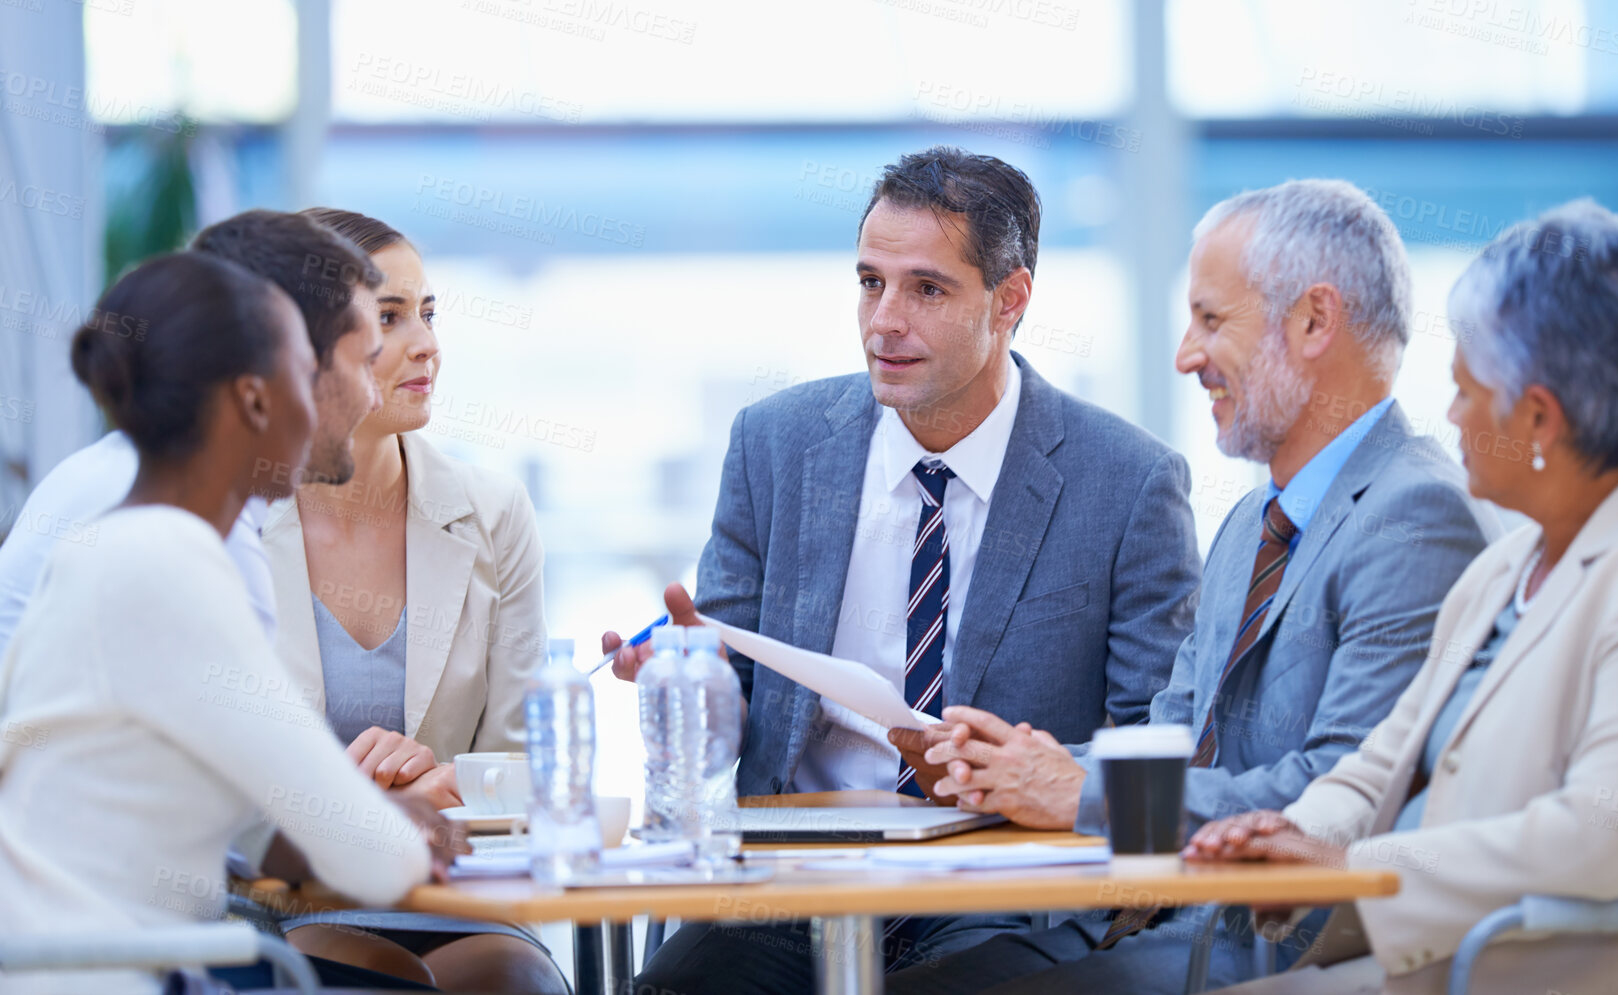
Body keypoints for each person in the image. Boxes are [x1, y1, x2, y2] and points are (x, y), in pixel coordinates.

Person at [887, 179, 1500, 995]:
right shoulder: (1254, 518)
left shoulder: (1414, 514)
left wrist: (1080, 791)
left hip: (1270, 935)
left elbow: (1335, 786)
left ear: (1315, 321)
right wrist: (1006, 768)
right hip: (1150, 914)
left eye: (1211, 319)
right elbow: (1177, 728)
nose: (1184, 354)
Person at [624, 147, 1204, 993]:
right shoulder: (774, 445)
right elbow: (736, 692)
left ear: (1010, 301)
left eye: (925, 289)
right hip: (794, 876)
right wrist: (685, 679)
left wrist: (1006, 772)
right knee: (678, 986)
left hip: (995, 879)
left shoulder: (1126, 481)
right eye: (869, 282)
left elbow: (1152, 740)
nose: (882, 321)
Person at [1184, 201, 1618, 995]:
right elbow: (1377, 767)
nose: (1449, 416)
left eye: (1467, 391)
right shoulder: (1505, 567)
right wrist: (1288, 834)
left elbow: (1607, 832)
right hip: (1426, 962)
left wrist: (1349, 866)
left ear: (1537, 418)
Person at [0, 253, 461, 995]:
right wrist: (401, 826)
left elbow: (255, 818)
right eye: (311, 375)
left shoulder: (125, 540)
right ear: (255, 400)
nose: (344, 398)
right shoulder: (171, 562)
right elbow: (374, 861)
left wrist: (368, 817)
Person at [263, 209, 559, 994]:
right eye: (389, 317)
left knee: (511, 979)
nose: (427, 344)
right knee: (376, 977)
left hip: (450, 889)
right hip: (282, 898)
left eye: (427, 313)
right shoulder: (231, 518)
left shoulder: (492, 512)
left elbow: (532, 768)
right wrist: (358, 804)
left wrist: (443, 786)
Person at [0, 210, 385, 659]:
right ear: (282, 358)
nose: (374, 399)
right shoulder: (197, 533)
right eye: (366, 363)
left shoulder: (123, 474)